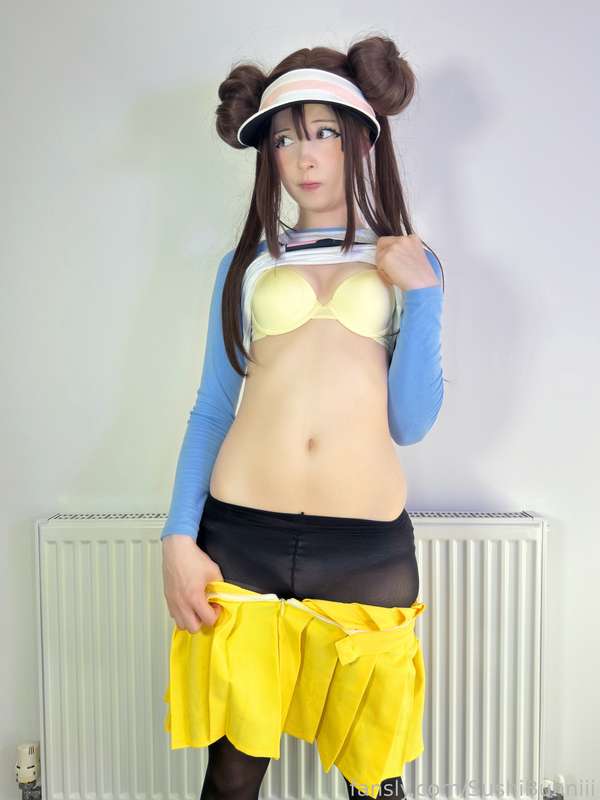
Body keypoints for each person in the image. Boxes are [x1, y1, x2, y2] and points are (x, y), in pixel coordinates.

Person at [161, 35, 445, 800]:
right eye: (284, 138)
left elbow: (411, 421)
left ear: (360, 139)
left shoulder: (407, 263)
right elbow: (212, 406)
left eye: (322, 131)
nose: (303, 155)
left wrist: (422, 296)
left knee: (374, 776)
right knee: (231, 777)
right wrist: (178, 537)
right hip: (240, 540)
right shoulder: (247, 263)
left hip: (364, 551)